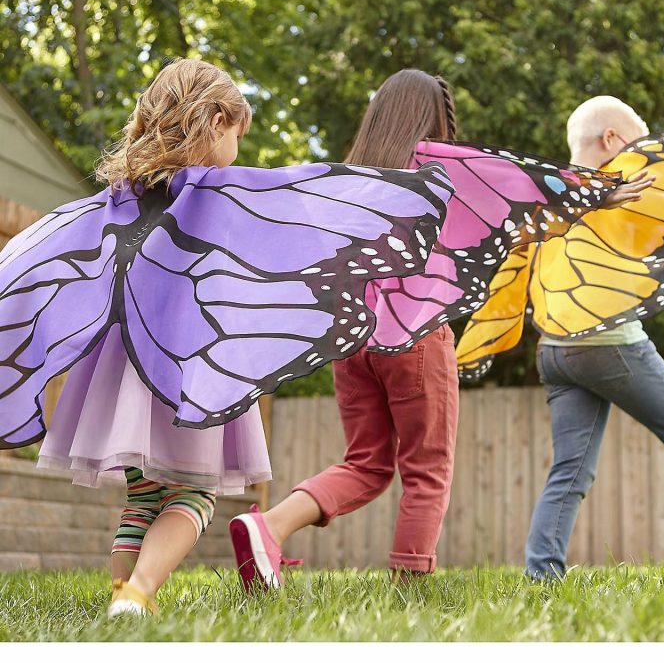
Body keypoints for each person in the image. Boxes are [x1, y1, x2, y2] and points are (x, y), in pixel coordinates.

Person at [0, 58, 457, 616]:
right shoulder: (220, 193)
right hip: (189, 367)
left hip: (121, 371)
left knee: (141, 497)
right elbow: (274, 246)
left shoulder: (117, 197)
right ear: (217, 120)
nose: (239, 150)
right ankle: (139, 594)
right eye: (238, 134)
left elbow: (60, 252)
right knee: (193, 494)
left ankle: (121, 594)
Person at [229, 73, 652, 591]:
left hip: (352, 341)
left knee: (366, 463)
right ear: (432, 118)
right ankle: (411, 589)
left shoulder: (347, 176)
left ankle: (268, 527)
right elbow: (520, 180)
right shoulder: (440, 164)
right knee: (426, 470)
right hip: (416, 340)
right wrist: (601, 191)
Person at [526, 95, 664, 579]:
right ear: (612, 139)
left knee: (570, 470)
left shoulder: (548, 193)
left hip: (554, 350)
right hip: (608, 344)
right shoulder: (612, 189)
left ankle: (542, 574)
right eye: (637, 145)